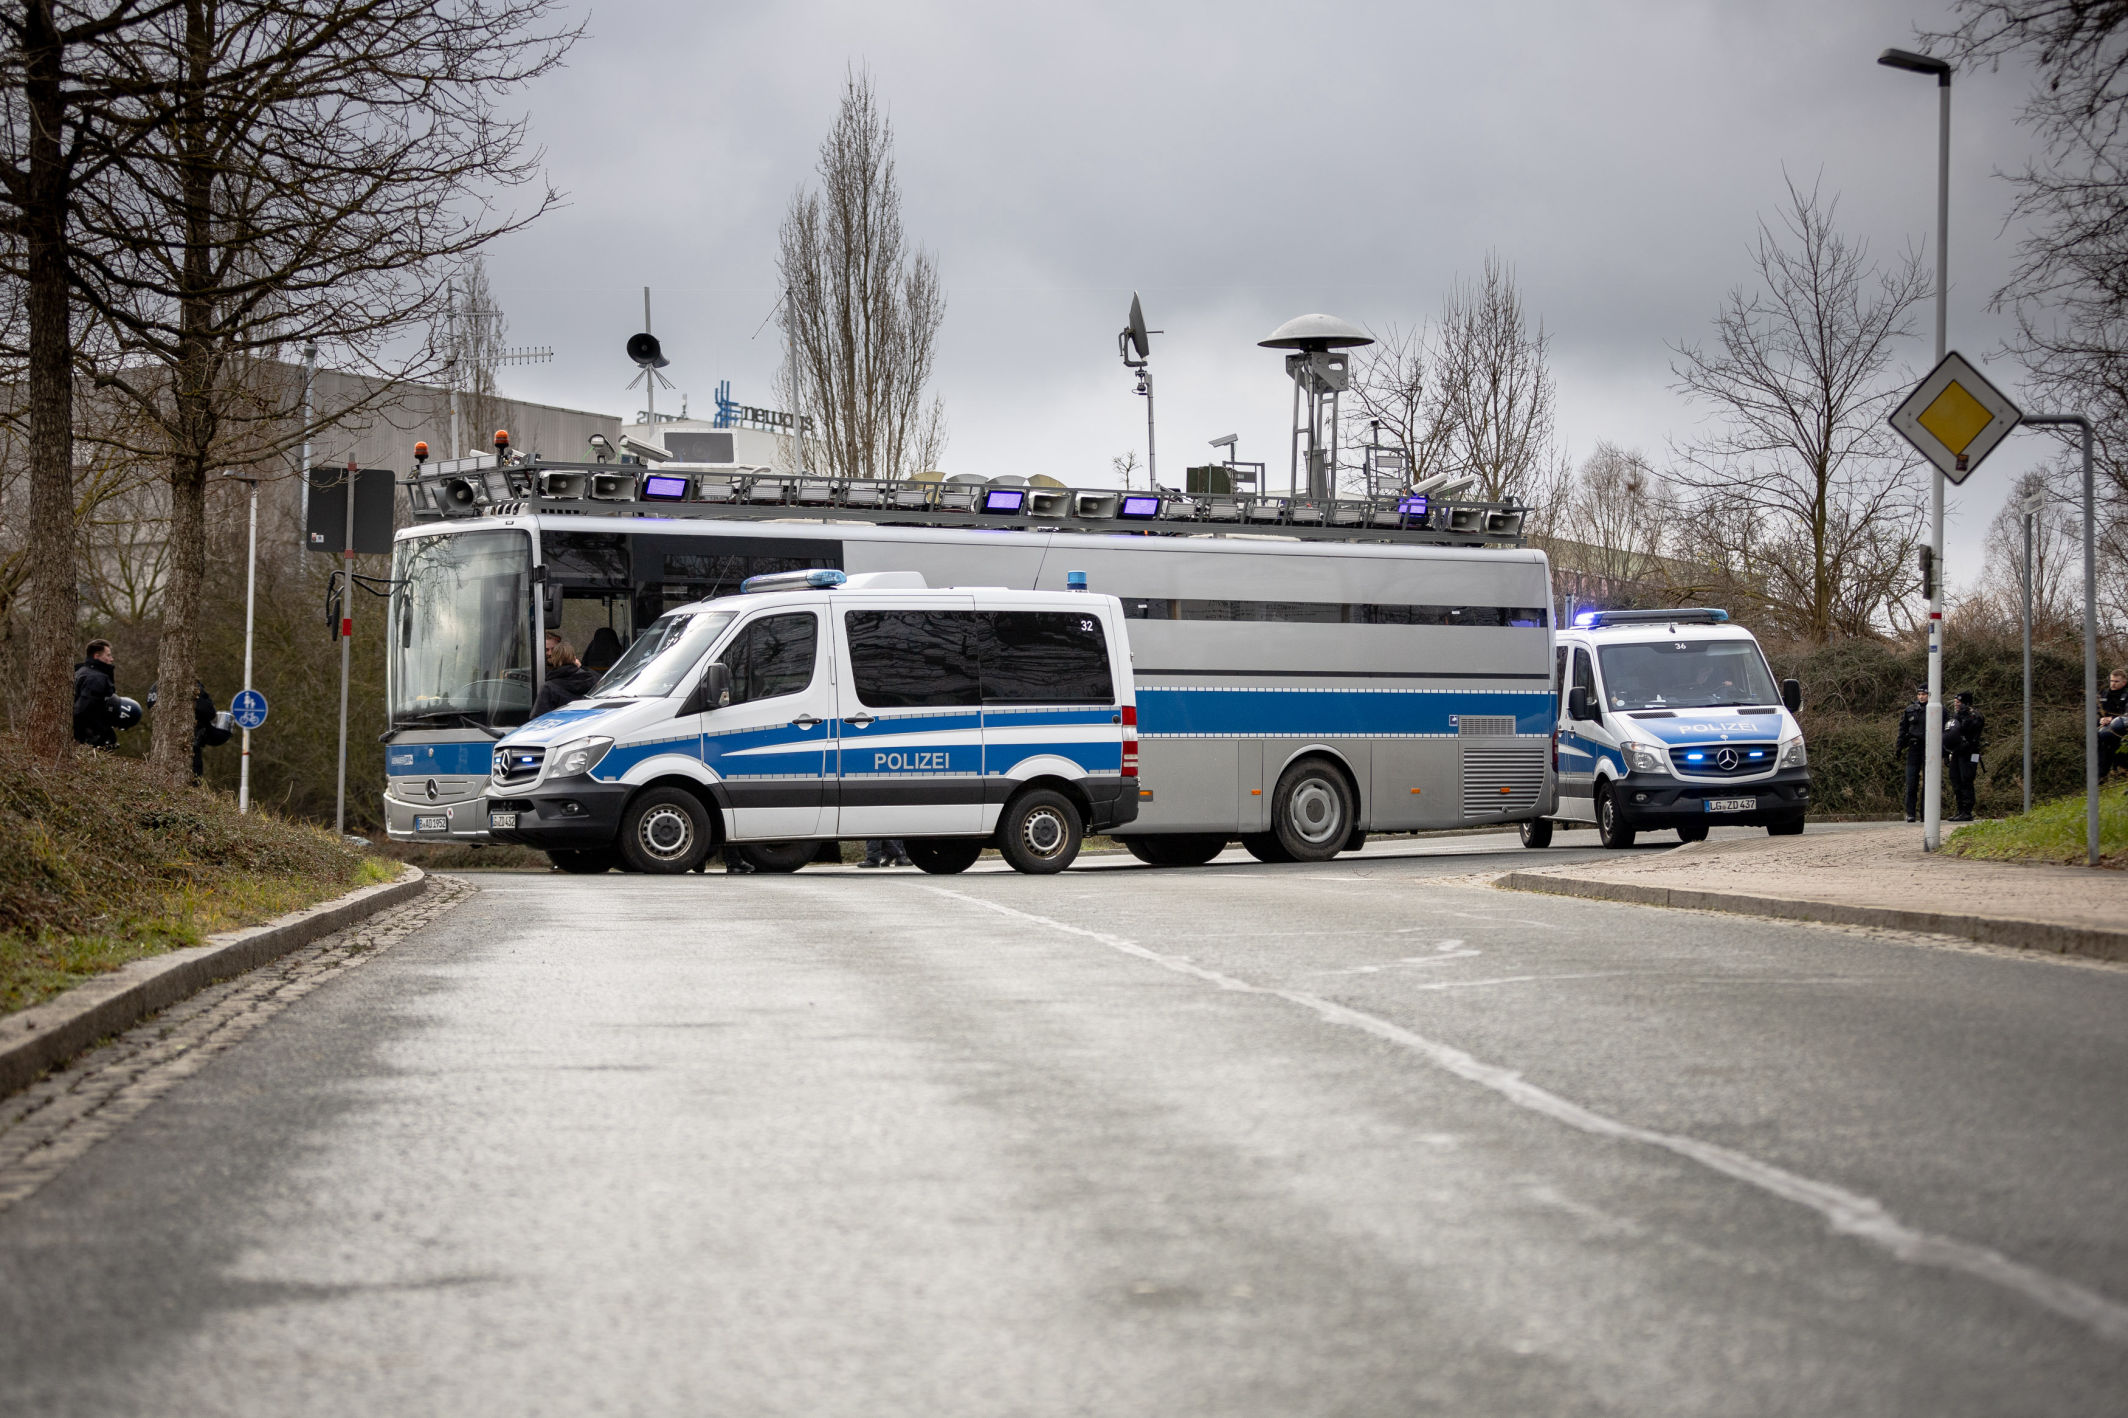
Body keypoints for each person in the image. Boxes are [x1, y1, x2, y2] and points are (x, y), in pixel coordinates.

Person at [1944, 690, 1985, 823]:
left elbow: (1970, 729)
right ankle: (1960, 809)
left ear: (1966, 703)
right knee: (1955, 780)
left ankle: (1967, 811)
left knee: (1966, 780)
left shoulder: (1975, 716)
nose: (1956, 705)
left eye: (1958, 703)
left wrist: (1964, 716)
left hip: (1969, 753)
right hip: (1957, 752)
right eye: (1955, 702)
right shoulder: (1956, 716)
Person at [532, 635, 599, 717]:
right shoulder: (593, 680)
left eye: (552, 650)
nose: (549, 653)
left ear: (554, 658)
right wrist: (581, 668)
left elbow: (538, 719)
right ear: (573, 657)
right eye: (546, 650)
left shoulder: (549, 687)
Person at [72, 639, 120, 748]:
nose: (111, 659)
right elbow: (82, 710)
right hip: (89, 740)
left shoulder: (79, 671)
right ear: (97, 656)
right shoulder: (96, 679)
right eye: (108, 655)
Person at [1893, 686, 1930, 823]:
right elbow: (1903, 729)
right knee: (1911, 782)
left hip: (1929, 748)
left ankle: (1926, 813)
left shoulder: (1937, 710)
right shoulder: (1910, 710)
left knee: (1929, 782)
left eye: (1924, 694)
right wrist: (1899, 746)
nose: (1921, 697)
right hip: (1914, 747)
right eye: (1919, 694)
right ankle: (1910, 813)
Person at [2099, 669, 2128, 781]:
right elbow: (2097, 712)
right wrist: (2101, 720)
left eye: (2116, 681)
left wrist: (2113, 719)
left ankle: (2121, 770)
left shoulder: (2126, 695)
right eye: (2111, 681)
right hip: (2105, 727)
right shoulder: (2104, 694)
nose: (2113, 684)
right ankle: (2102, 775)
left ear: (2124, 682)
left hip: (2122, 727)